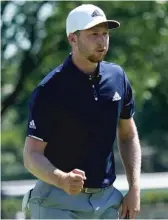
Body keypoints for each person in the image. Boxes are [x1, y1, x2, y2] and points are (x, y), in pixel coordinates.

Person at [22, 4, 141, 219]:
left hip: (106, 202)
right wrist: (61, 179)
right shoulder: (49, 90)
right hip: (56, 202)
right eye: (93, 34)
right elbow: (31, 155)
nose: (102, 41)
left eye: (105, 34)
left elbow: (128, 134)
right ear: (72, 39)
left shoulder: (117, 77)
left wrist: (134, 188)